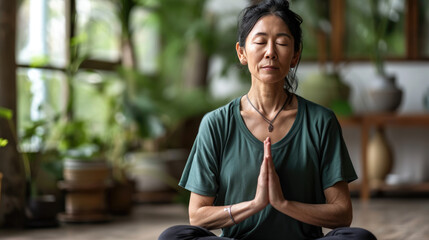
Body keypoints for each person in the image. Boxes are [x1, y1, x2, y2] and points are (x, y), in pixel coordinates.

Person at [159, 0, 376, 239]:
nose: (270, 51)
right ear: (241, 52)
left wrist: (283, 204)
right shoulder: (217, 124)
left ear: (295, 55)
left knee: (359, 238)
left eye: (282, 42)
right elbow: (197, 216)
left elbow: (342, 214)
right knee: (175, 236)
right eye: (260, 42)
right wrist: (255, 204)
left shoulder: (320, 121)